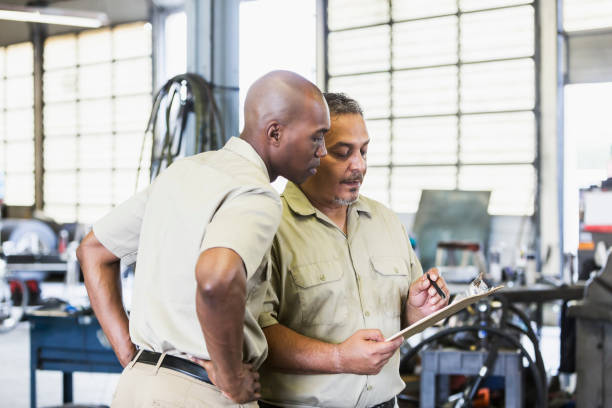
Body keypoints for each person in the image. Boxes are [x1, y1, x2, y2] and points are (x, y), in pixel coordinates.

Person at [76, 70, 330, 407]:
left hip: (138, 387)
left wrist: (129, 353)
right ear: (275, 133)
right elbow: (216, 279)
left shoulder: (182, 172)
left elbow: (93, 250)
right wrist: (231, 376)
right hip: (202, 393)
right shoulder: (256, 193)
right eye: (317, 137)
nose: (323, 151)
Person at [257, 93, 450, 408]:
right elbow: (254, 333)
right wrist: (337, 358)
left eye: (363, 151)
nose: (358, 166)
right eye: (342, 153)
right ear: (310, 151)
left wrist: (419, 308)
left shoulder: (386, 222)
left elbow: (403, 320)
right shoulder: (270, 227)